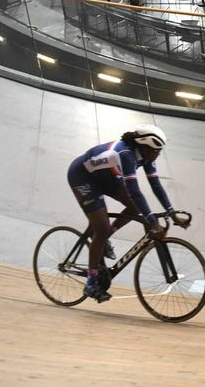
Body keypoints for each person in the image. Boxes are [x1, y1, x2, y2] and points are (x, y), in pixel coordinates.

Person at [67, 124, 187, 302]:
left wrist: (172, 213)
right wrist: (152, 222)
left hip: (106, 176)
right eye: (157, 150)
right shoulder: (126, 155)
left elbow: (156, 185)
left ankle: (106, 235)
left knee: (134, 208)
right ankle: (91, 282)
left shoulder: (146, 156)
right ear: (145, 147)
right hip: (83, 177)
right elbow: (135, 192)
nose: (159, 154)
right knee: (101, 229)